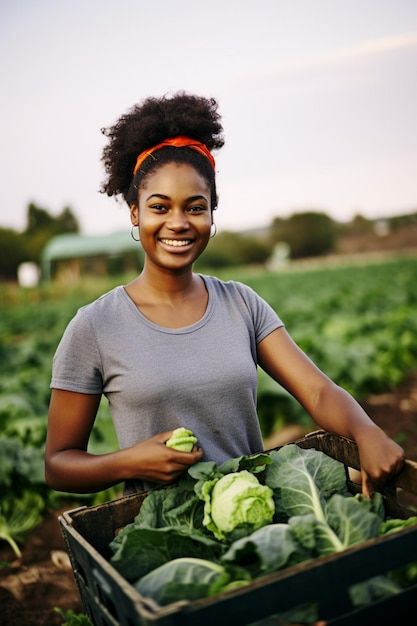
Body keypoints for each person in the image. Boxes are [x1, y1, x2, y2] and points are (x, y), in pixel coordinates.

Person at [45, 92, 404, 498]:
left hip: (251, 523)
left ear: (212, 214)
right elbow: (59, 464)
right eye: (160, 207)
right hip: (159, 539)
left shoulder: (241, 304)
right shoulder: (95, 325)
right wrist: (129, 461)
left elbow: (318, 391)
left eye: (195, 207)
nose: (178, 223)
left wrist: (366, 431)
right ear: (135, 214)